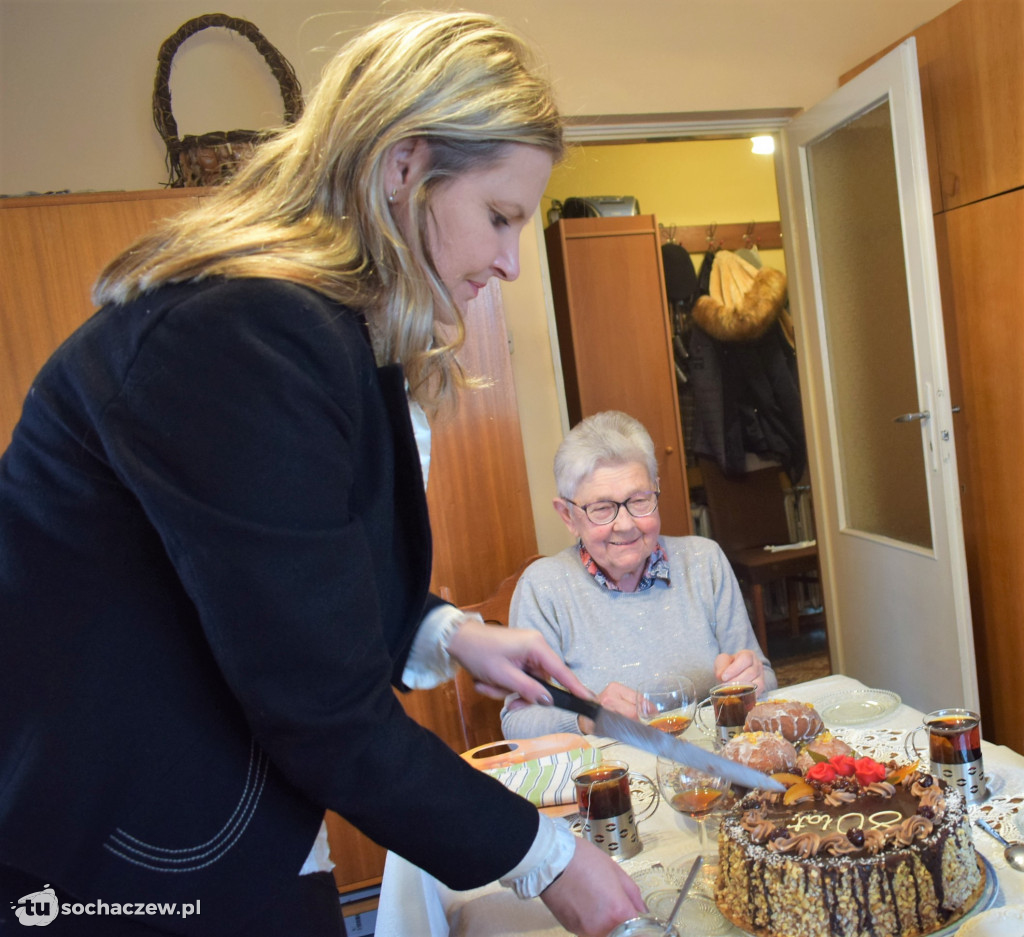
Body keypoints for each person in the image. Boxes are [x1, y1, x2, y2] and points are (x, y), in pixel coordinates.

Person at [0, 13, 645, 937]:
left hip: (231, 821)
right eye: (499, 216)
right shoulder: (242, 332)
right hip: (120, 848)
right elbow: (317, 699)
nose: (508, 259)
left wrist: (450, 633)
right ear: (403, 168)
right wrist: (542, 855)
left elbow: (294, 584)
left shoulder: (317, 329)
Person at [502, 410, 778, 740]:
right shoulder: (543, 588)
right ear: (568, 515)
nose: (626, 524)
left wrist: (753, 677)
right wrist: (587, 717)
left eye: (639, 500)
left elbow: (765, 677)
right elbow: (516, 721)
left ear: (656, 491)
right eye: (602, 509)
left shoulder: (705, 562)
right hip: (611, 780)